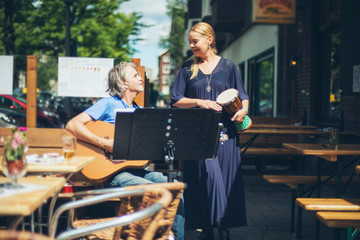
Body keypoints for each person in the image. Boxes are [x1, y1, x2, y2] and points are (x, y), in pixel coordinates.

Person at [65, 62, 184, 240]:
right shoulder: (108, 104)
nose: (140, 77)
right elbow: (72, 125)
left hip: (136, 170)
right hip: (111, 174)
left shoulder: (139, 111)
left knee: (175, 189)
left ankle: (174, 237)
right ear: (124, 82)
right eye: (135, 75)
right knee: (155, 191)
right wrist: (103, 144)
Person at [171, 22, 249, 240]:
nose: (191, 45)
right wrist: (200, 102)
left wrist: (243, 111)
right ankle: (209, 226)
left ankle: (221, 227)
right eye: (190, 42)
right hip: (198, 135)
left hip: (227, 135)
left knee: (225, 180)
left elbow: (243, 96)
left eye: (195, 41)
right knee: (206, 178)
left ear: (209, 40)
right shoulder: (187, 69)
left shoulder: (229, 67)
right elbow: (176, 100)